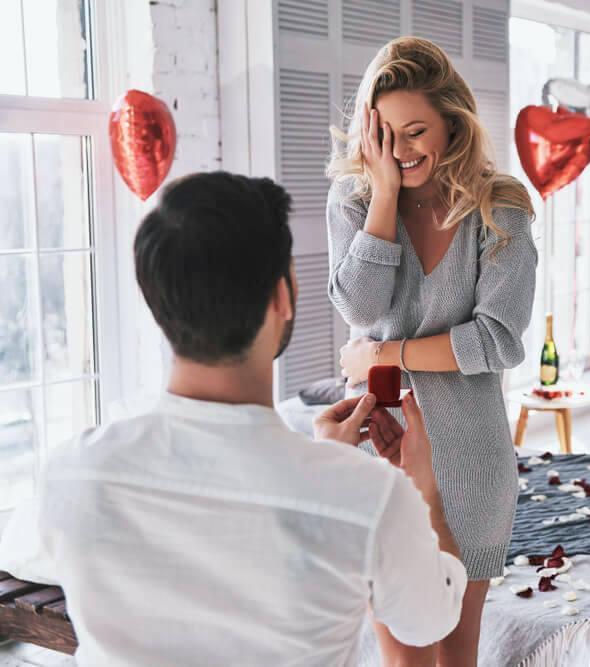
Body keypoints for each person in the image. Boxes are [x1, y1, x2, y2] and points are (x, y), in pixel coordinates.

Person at [0, 172, 466, 666]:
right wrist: (425, 496)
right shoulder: (370, 497)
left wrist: (328, 464)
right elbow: (430, 619)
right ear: (282, 298)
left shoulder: (69, 475)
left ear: (157, 303)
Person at [326, 37, 537, 664]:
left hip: (471, 466)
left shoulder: (500, 209)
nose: (399, 149)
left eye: (415, 130)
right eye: (383, 134)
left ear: (454, 119)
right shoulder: (356, 201)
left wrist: (387, 357)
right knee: (404, 659)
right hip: (379, 457)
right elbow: (359, 308)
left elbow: (497, 340)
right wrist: (385, 198)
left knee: (455, 657)